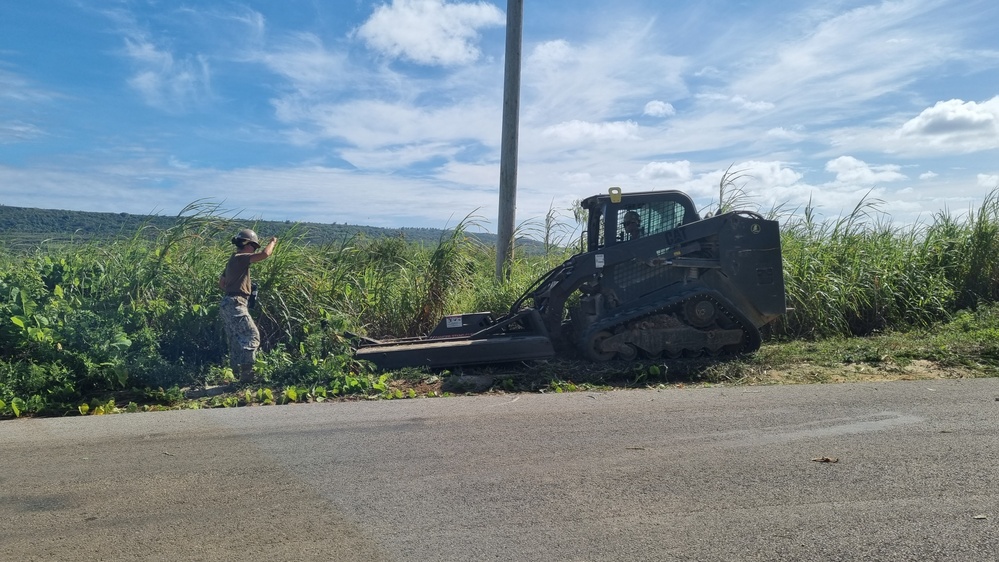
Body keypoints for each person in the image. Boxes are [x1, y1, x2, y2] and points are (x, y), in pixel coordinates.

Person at [218, 228, 276, 383]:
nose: (254, 249)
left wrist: (234, 288)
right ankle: (247, 377)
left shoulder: (232, 260)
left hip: (227, 303)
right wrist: (272, 242)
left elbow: (222, 283)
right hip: (236, 302)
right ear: (246, 244)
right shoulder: (240, 257)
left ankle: (235, 376)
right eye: (254, 246)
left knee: (236, 340)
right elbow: (265, 255)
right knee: (251, 336)